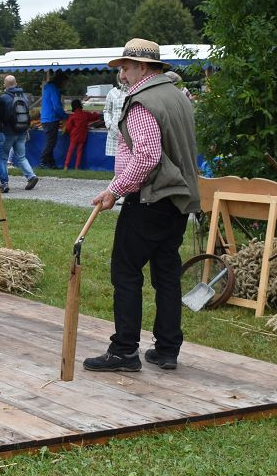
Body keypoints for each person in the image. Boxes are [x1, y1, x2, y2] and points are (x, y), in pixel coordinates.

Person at [83, 39, 201, 373]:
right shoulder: (178, 97)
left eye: (125, 66)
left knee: (125, 272)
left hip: (150, 199)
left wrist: (114, 190)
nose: (121, 72)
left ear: (144, 67)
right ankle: (167, 349)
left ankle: (123, 351)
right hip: (177, 200)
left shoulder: (143, 103)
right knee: (166, 274)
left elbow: (147, 156)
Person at [1, 75, 40, 190]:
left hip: (8, 131)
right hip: (22, 130)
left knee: (3, 157)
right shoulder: (24, 96)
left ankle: (4, 182)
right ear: (16, 83)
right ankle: (31, 176)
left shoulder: (4, 98)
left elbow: (3, 116)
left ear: (5, 84)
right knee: (21, 157)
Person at [61, 99, 102, 170]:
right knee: (79, 152)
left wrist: (66, 131)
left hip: (74, 136)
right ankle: (77, 167)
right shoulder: (85, 114)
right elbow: (94, 116)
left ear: (73, 107)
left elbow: (68, 127)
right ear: (80, 106)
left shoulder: (73, 116)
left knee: (70, 151)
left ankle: (66, 166)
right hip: (82, 136)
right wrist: (97, 113)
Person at [39, 72, 68, 169]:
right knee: (51, 142)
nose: (65, 85)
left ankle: (51, 164)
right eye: (65, 83)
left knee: (50, 142)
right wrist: (64, 116)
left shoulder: (48, 88)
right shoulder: (54, 89)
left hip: (45, 118)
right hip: (51, 118)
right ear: (61, 81)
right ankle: (42, 162)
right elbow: (56, 106)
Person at [102, 73, 128, 158]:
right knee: (117, 160)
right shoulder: (112, 92)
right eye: (122, 75)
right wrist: (109, 124)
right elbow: (106, 110)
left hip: (129, 131)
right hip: (114, 131)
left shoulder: (134, 91)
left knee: (130, 158)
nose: (124, 77)